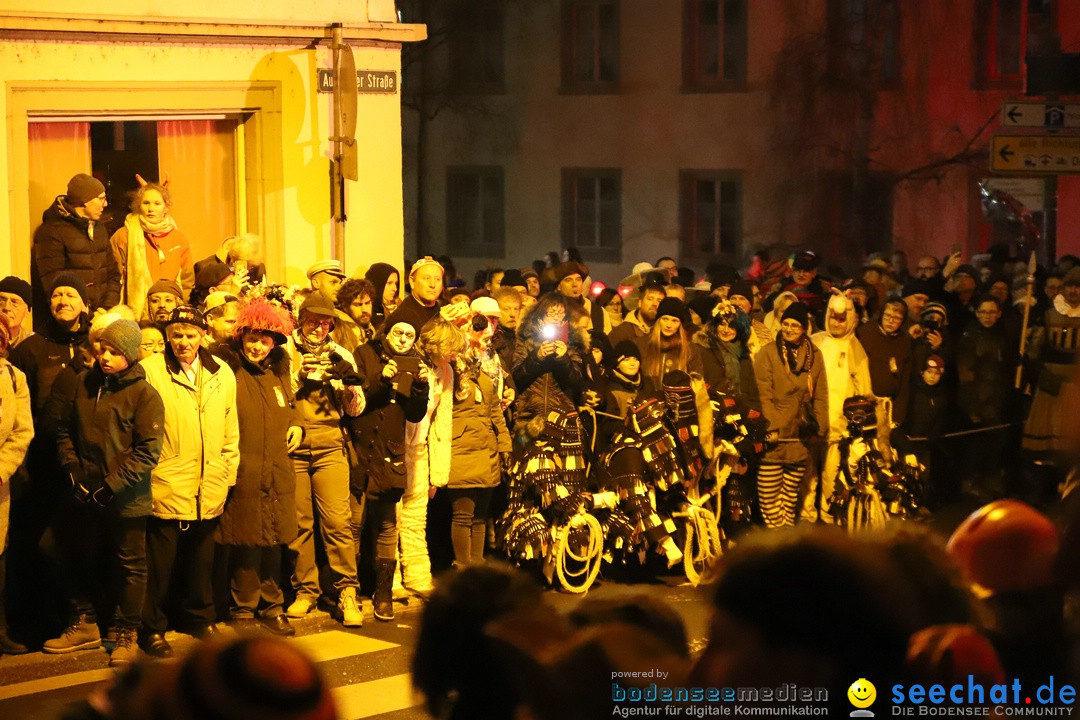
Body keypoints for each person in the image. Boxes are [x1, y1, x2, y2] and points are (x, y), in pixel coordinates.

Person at [47, 318, 164, 666]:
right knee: (74, 554)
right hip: (84, 491)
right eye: (103, 349)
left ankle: (127, 632)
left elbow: (148, 451)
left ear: (130, 355)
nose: (106, 357)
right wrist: (72, 469)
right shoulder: (85, 383)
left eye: (115, 352)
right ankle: (84, 622)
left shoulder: (145, 395)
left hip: (126, 498)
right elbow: (64, 430)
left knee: (131, 566)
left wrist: (111, 485)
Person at [140, 305, 239, 657]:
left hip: (209, 479)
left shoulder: (221, 372)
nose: (184, 341)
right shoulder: (151, 371)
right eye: (178, 334)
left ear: (202, 335)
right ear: (168, 335)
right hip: (168, 478)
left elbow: (231, 428)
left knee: (202, 560)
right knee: (160, 562)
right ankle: (152, 626)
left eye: (191, 334)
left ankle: (200, 618)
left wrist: (228, 471)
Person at [213, 299, 301, 637]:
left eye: (265, 341)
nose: (258, 346)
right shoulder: (228, 370)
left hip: (276, 469)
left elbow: (290, 407)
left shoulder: (277, 373)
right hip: (245, 468)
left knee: (273, 542)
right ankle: (244, 609)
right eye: (253, 338)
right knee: (246, 543)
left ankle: (273, 606)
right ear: (241, 336)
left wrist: (297, 424)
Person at [285, 294, 365, 627]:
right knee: (300, 524)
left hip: (331, 444)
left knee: (337, 522)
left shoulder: (340, 352)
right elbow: (278, 396)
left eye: (325, 322)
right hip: (295, 446)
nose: (319, 328)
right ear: (301, 320)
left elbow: (356, 408)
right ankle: (306, 590)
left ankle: (347, 592)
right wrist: (299, 375)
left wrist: (347, 386)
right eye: (312, 321)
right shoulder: (287, 350)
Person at [349, 304, 430, 621]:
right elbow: (356, 399)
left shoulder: (415, 362)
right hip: (361, 448)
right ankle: (350, 590)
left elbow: (414, 414)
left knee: (386, 525)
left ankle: (383, 593)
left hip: (391, 453)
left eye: (410, 335)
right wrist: (382, 379)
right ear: (389, 331)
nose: (403, 339)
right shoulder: (364, 353)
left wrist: (421, 387)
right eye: (399, 332)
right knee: (353, 524)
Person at [441, 306, 512, 570]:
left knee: (480, 517)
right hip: (461, 449)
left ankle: (477, 565)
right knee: (463, 515)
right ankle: (463, 566)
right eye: (480, 336)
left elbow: (496, 413)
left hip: (486, 450)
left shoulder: (484, 375)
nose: (484, 342)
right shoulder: (449, 369)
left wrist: (504, 446)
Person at [399, 317, 464, 597]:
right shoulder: (409, 362)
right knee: (391, 517)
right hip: (396, 447)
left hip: (421, 447)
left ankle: (417, 575)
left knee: (416, 515)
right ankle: (389, 581)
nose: (454, 355)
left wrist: (437, 473)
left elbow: (442, 421)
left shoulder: (445, 371)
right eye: (451, 348)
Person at [753, 302, 828, 528]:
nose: (788, 329)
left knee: (790, 492)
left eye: (794, 325)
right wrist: (772, 427)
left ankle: (786, 537)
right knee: (769, 492)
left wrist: (821, 427)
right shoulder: (768, 352)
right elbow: (763, 393)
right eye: (785, 324)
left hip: (801, 432)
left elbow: (821, 394)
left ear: (804, 328)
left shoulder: (814, 355)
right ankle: (777, 534)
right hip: (775, 433)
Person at [808, 293, 872, 524]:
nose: (836, 323)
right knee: (809, 473)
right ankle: (806, 516)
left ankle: (828, 514)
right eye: (832, 318)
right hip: (813, 422)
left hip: (839, 426)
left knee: (831, 474)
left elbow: (864, 390)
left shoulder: (855, 348)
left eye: (841, 319)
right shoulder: (815, 341)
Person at [31, 173, 120, 328]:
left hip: (101, 319)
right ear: (85, 200)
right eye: (101, 198)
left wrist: (105, 310)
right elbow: (53, 282)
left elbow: (113, 274)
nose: (105, 204)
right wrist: (85, 313)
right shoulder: (51, 232)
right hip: (69, 322)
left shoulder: (99, 229)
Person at [109, 182, 194, 319]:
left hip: (171, 312)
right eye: (146, 203)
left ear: (166, 207)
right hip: (134, 313)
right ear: (138, 206)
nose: (151, 208)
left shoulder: (178, 238)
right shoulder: (123, 236)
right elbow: (114, 277)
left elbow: (187, 279)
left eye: (157, 203)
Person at [0, 323, 34, 655]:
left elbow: (22, 431)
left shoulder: (13, 377)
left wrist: (1, 470)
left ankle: (0, 630)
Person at [642, 297, 702, 387]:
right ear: (658, 320)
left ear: (680, 324)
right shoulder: (643, 344)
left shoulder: (691, 349)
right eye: (665, 319)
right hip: (650, 399)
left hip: (679, 399)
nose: (669, 325)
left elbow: (697, 383)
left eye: (674, 321)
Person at [608, 281, 666, 353]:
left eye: (659, 301)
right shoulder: (620, 333)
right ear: (640, 303)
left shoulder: (666, 333)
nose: (655, 304)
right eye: (650, 299)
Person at [193, 233, 267, 289]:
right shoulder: (205, 268)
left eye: (252, 266)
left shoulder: (258, 268)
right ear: (234, 259)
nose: (248, 270)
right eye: (247, 265)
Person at [332, 277, 377, 354]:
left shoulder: (370, 328)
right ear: (345, 306)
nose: (364, 310)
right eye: (358, 305)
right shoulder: (341, 331)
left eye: (367, 303)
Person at [0, 276, 33, 348]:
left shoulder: (34, 343)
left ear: (27, 311)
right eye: (2, 300)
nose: (6, 307)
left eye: (14, 302)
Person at [365, 262, 401, 329]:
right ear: (377, 284)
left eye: (396, 283)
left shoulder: (397, 307)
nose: (395, 288)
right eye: (389, 283)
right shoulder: (368, 313)